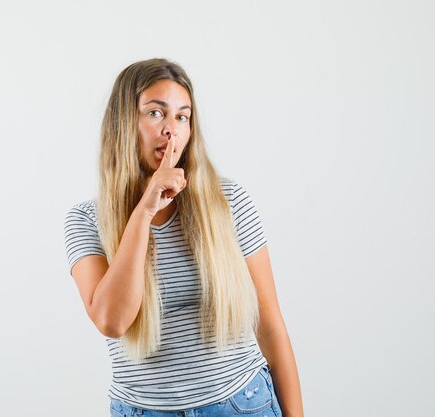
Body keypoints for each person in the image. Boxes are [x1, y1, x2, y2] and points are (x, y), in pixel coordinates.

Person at [63, 58, 304, 417]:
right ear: (123, 123)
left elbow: (269, 325)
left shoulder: (229, 202)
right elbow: (111, 321)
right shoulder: (85, 220)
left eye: (182, 116)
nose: (171, 130)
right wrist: (143, 211)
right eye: (156, 113)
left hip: (240, 405)